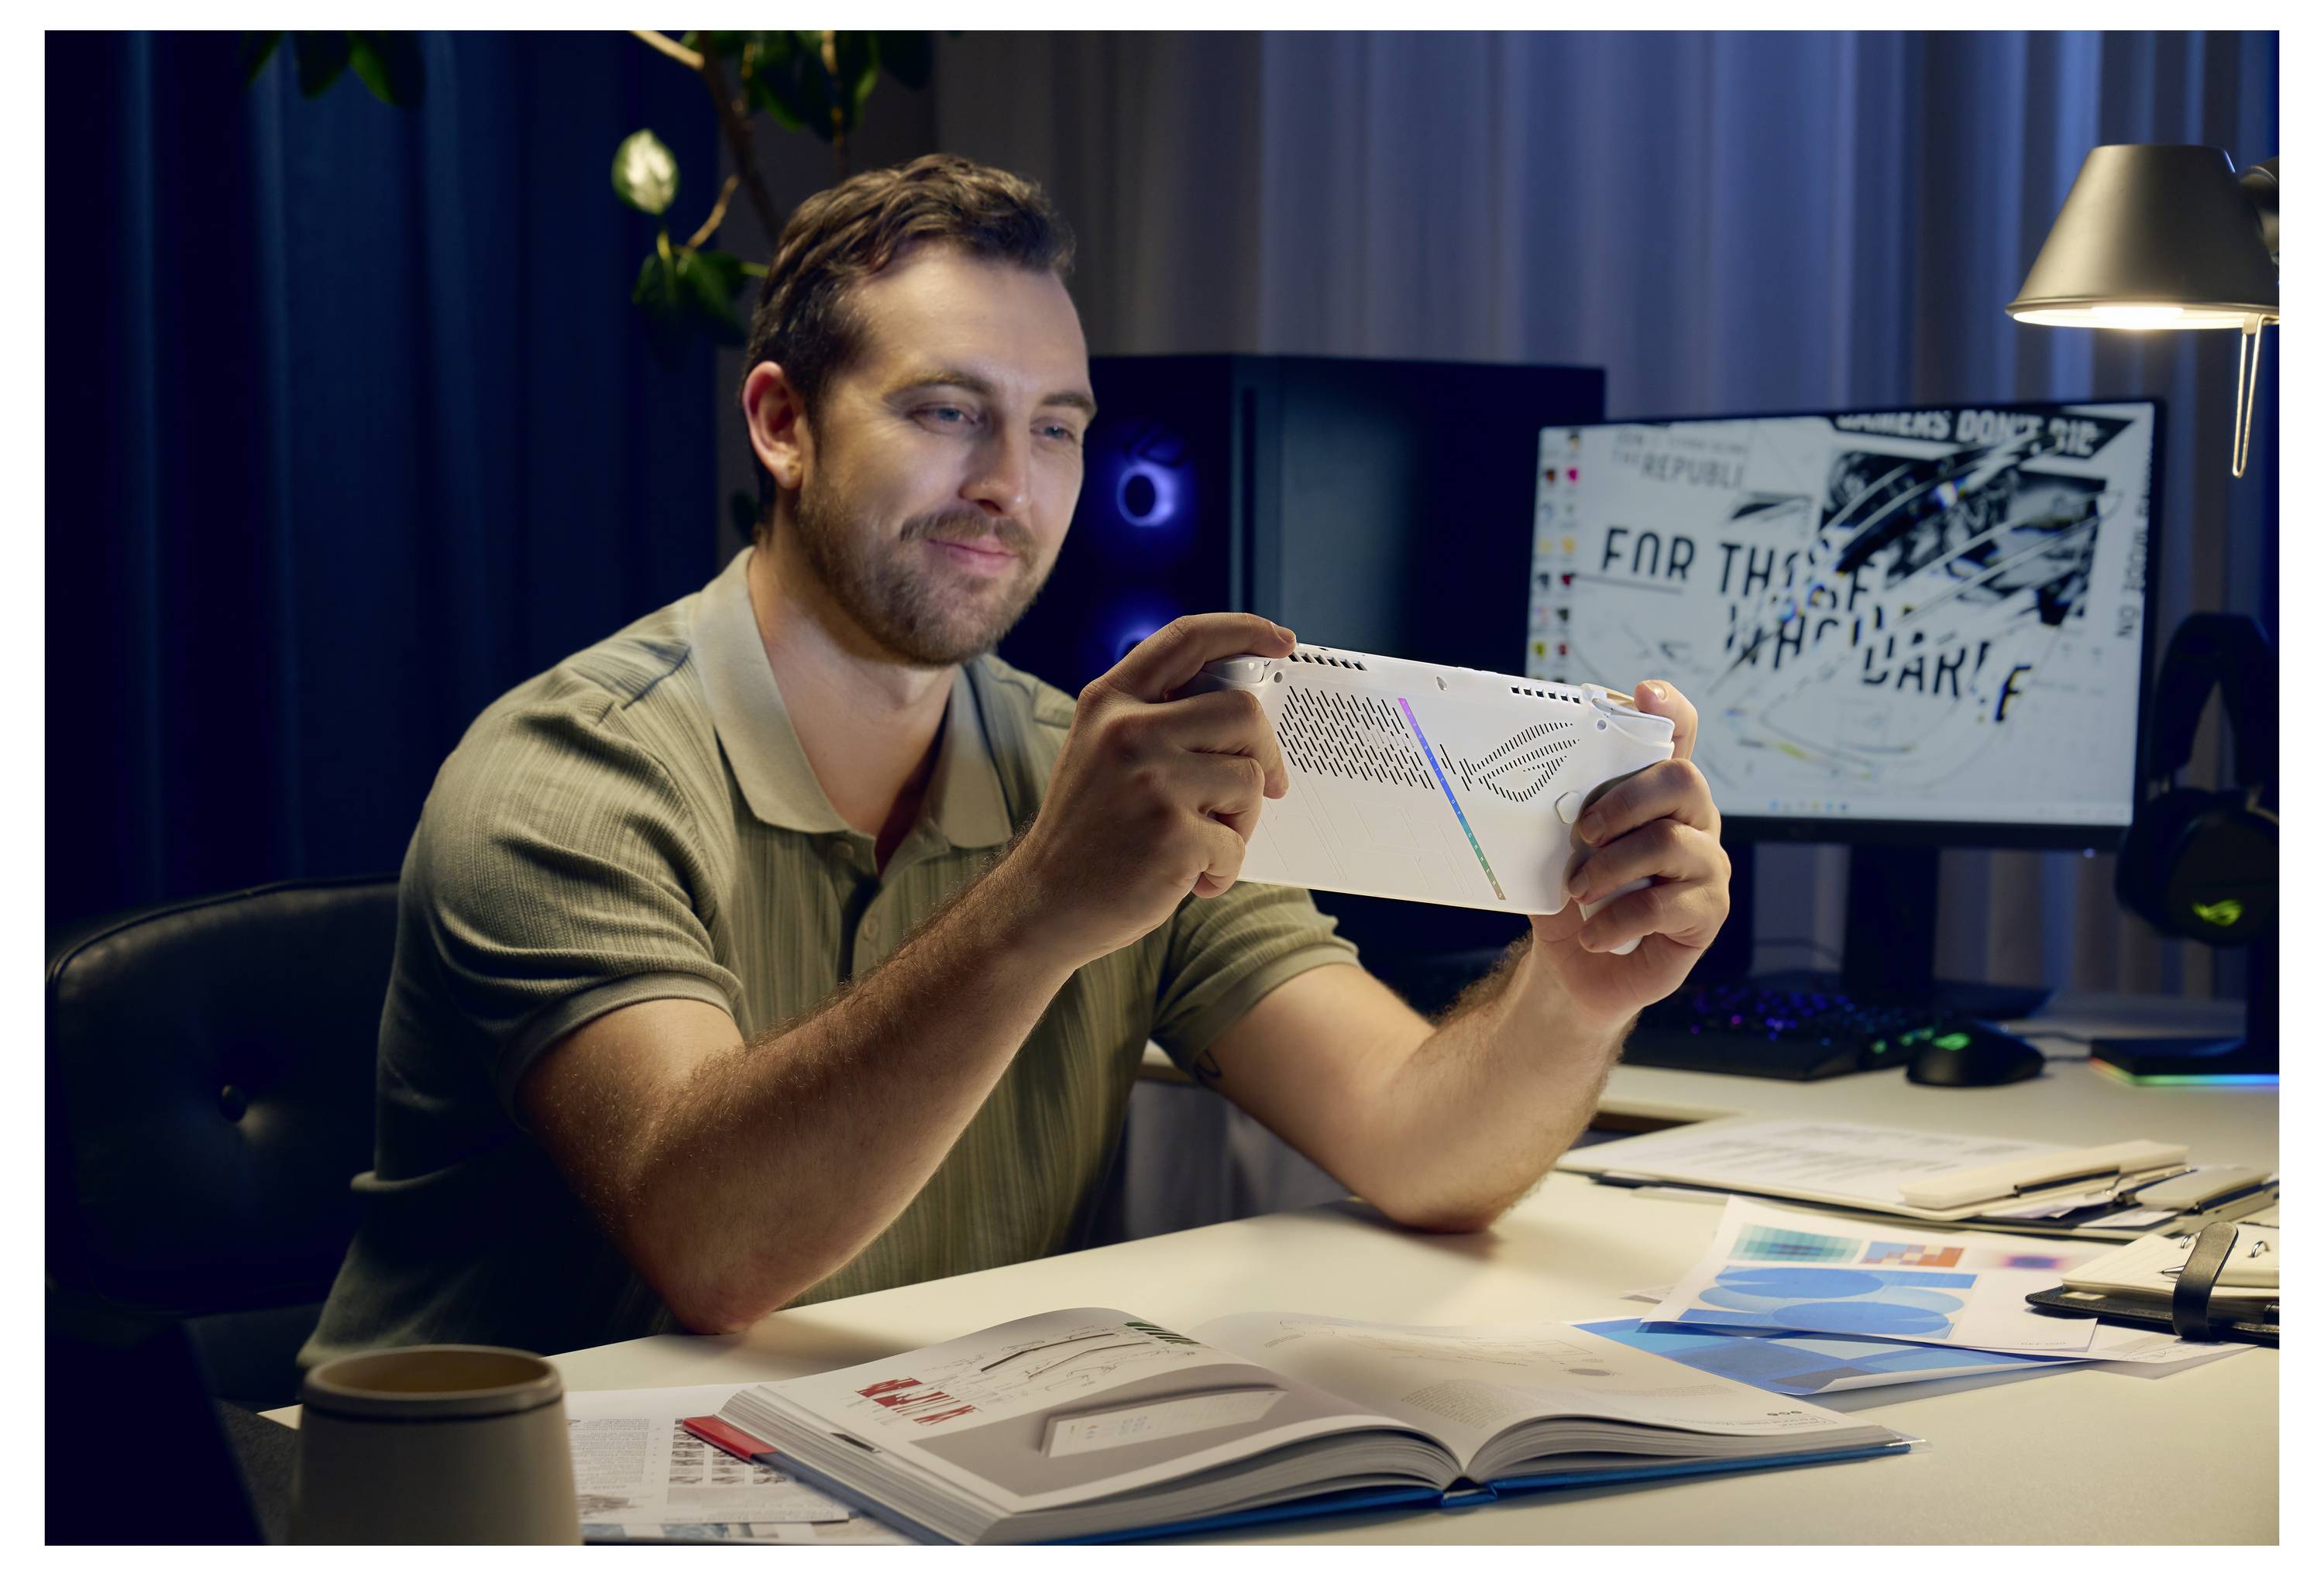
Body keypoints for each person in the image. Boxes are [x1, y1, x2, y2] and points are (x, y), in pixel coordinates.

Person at [299, 153, 1729, 1366]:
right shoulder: (566, 775)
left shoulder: (1089, 769)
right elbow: (717, 1255)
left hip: (894, 1470)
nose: (1010, 484)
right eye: (947, 411)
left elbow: (1422, 1154)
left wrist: (1573, 986)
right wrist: (1046, 898)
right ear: (784, 423)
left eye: (1056, 430)